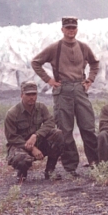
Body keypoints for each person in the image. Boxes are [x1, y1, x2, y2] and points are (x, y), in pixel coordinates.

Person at [31, 16, 99, 177]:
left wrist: (90, 79)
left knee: (88, 127)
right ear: (62, 29)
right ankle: (71, 167)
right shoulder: (55, 48)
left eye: (73, 27)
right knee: (65, 130)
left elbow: (95, 63)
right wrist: (49, 80)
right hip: (63, 91)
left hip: (80, 89)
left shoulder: (83, 47)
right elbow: (36, 62)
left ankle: (96, 162)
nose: (71, 30)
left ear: (77, 29)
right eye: (68, 27)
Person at [5, 81, 64, 182]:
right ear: (21, 95)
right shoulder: (12, 113)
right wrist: (32, 148)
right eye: (28, 94)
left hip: (37, 141)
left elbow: (50, 123)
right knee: (21, 159)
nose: (31, 97)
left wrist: (36, 135)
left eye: (34, 94)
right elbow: (12, 137)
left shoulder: (41, 108)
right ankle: (22, 173)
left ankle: (50, 171)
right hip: (20, 146)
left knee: (58, 134)